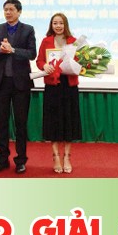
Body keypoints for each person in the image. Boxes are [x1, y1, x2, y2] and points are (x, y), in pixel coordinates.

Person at [0, 0, 36, 174]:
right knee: (1, 123)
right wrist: (0, 50)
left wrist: (13, 50)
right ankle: (2, 159)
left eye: (11, 10)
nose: (8, 12)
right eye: (5, 9)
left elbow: (32, 54)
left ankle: (20, 160)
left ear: (19, 12)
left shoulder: (28, 29)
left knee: (20, 124)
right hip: (1, 82)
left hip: (21, 83)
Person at [36, 13, 82, 174]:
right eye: (55, 23)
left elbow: (80, 62)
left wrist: (76, 65)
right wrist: (44, 66)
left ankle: (67, 157)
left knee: (69, 122)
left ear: (65, 24)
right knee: (53, 122)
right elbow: (39, 60)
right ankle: (55, 156)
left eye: (61, 23)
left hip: (69, 86)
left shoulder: (74, 41)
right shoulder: (46, 41)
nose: (58, 26)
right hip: (52, 86)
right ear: (51, 25)